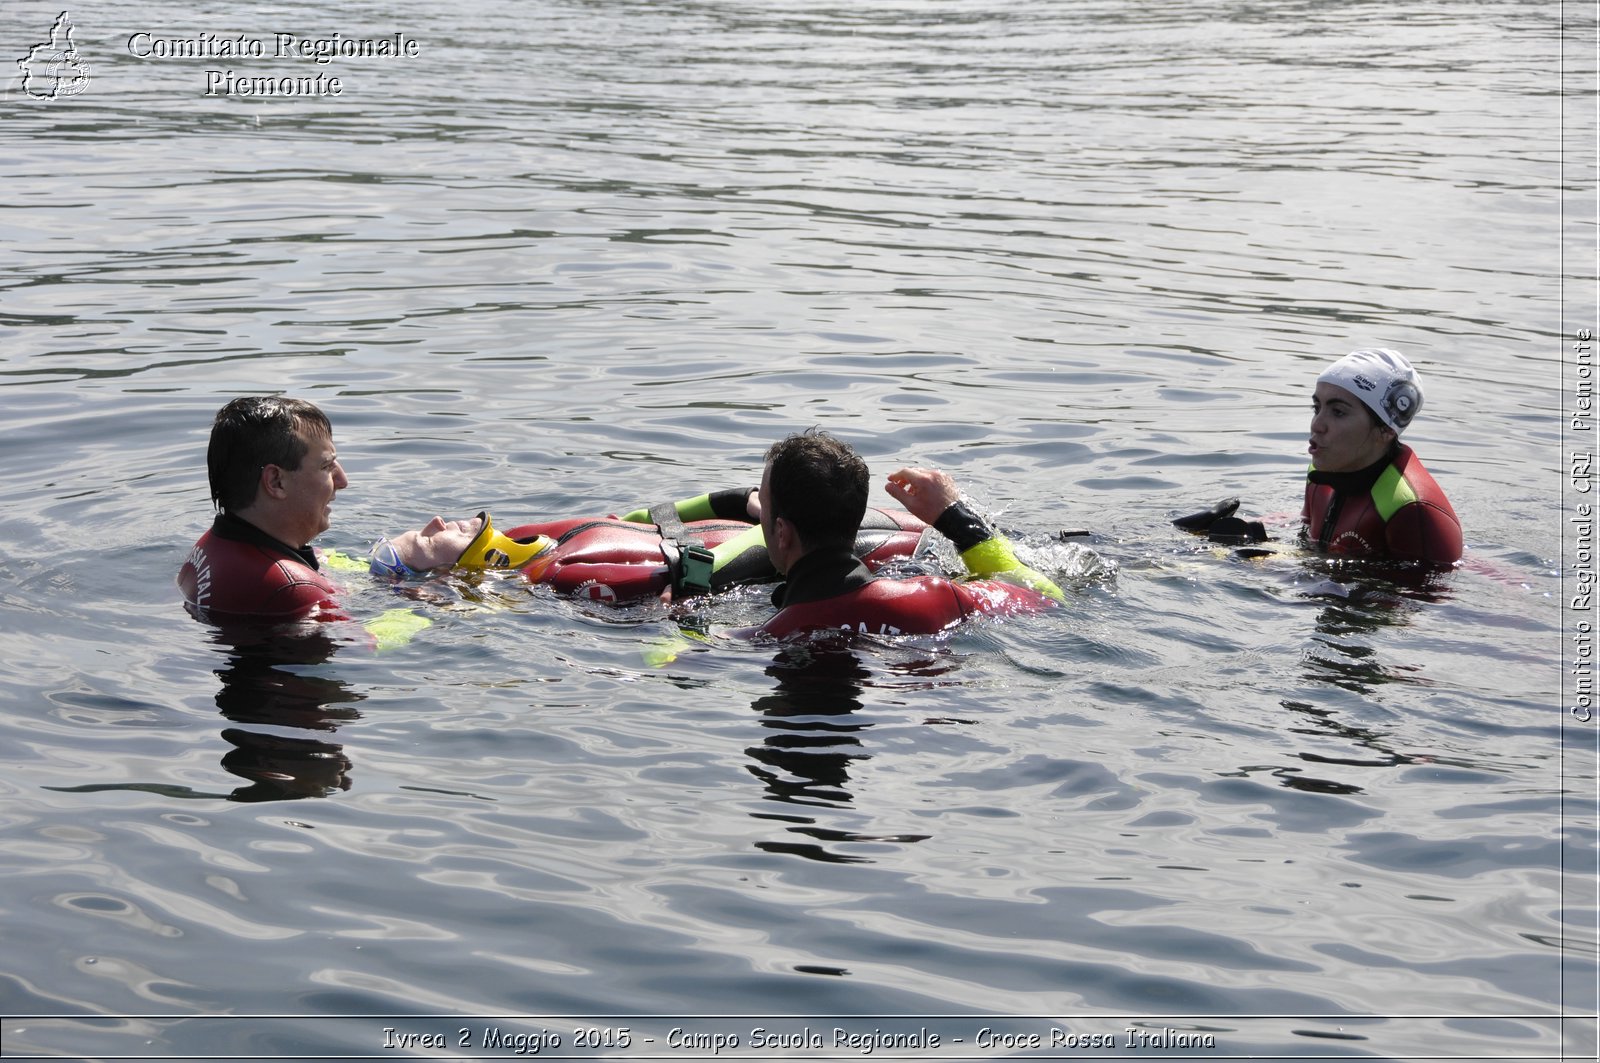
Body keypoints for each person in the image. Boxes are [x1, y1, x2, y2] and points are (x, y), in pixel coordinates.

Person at [749, 430, 1064, 638]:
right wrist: (954, 517)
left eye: (763, 506)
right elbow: (1046, 594)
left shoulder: (761, 638)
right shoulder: (933, 598)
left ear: (782, 532)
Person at [177, 397, 426, 647]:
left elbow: (311, 563)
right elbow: (364, 646)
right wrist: (428, 597)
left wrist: (390, 565)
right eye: (327, 466)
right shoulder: (291, 588)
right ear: (276, 482)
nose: (342, 480)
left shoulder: (216, 543)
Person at [1302, 348, 1461, 566]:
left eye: (1338, 412)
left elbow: (1426, 597)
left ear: (1386, 430)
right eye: (1316, 407)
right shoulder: (1322, 472)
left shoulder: (1412, 511)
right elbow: (1306, 535)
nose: (1317, 425)